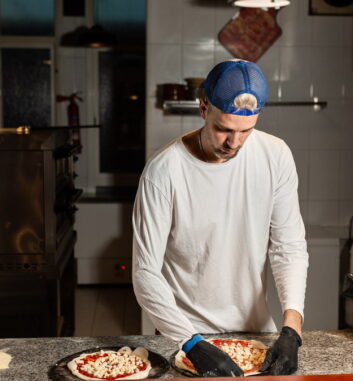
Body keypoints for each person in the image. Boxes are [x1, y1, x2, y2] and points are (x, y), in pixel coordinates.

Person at [132, 59, 309, 377]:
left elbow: (289, 246)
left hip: (254, 332)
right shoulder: (164, 171)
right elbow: (145, 272)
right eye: (223, 129)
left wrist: (291, 329)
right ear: (203, 108)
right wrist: (190, 342)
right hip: (184, 335)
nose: (234, 143)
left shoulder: (276, 155)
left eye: (246, 131)